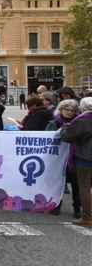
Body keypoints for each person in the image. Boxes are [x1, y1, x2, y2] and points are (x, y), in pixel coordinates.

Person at [46, 99, 80, 218]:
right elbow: (47, 139)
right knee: (58, 183)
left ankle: (77, 208)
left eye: (73, 110)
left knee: (77, 185)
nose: (70, 112)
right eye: (67, 109)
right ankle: (56, 205)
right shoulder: (53, 123)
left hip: (75, 158)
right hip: (58, 159)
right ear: (61, 109)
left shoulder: (79, 122)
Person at [61, 97, 92, 227]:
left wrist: (65, 129)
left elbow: (68, 137)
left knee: (84, 187)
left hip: (85, 157)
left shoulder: (83, 120)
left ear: (83, 108)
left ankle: (87, 217)